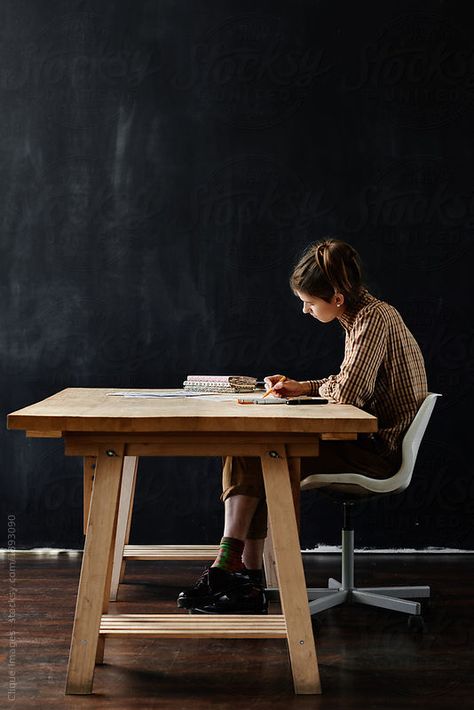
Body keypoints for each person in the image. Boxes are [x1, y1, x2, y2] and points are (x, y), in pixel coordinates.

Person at [177, 239, 428, 614]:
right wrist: (304, 387)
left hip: (379, 454)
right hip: (369, 443)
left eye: (310, 303)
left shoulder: (373, 319)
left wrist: (313, 389)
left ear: (337, 299)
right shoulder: (362, 317)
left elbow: (348, 394)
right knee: (255, 447)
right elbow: (347, 381)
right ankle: (243, 572)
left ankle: (234, 568)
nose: (305, 310)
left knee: (261, 451)